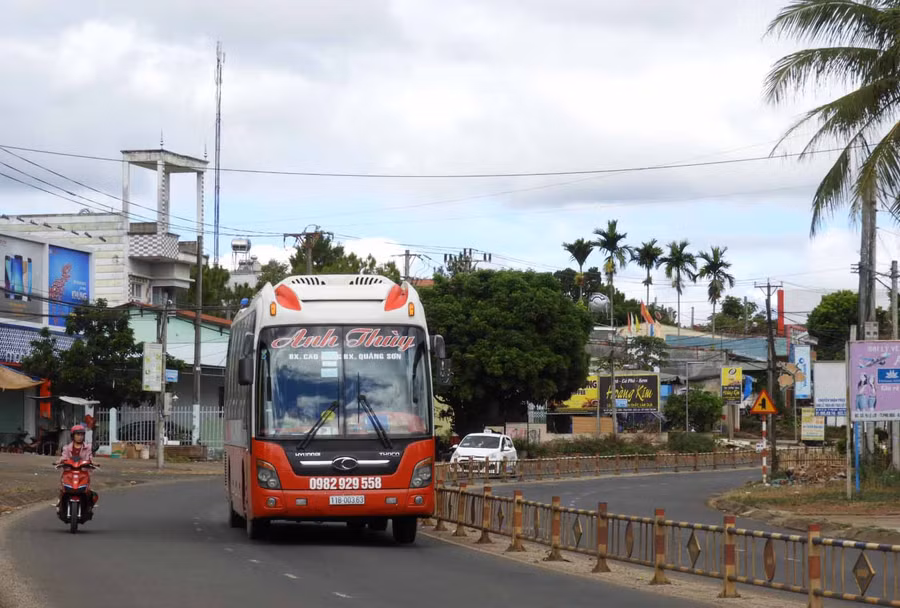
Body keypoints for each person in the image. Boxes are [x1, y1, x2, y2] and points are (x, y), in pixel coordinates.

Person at [55, 424, 98, 509]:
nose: (80, 437)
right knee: (63, 488)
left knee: (87, 490)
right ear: (73, 436)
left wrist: (93, 463)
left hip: (83, 471)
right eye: (78, 434)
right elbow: (64, 457)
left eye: (82, 434)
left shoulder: (87, 447)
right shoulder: (67, 448)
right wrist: (59, 461)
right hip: (69, 471)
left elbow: (90, 457)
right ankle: (60, 502)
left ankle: (88, 505)